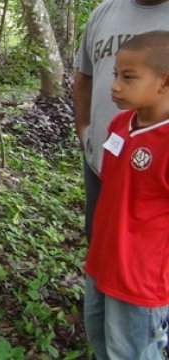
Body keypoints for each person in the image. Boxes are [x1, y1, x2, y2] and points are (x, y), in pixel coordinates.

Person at [83, 30, 169, 360]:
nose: (115, 85)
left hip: (140, 279)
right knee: (101, 342)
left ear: (164, 81)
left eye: (128, 77)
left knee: (132, 353)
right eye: (115, 74)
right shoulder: (120, 125)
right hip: (102, 262)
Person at [73, 0, 169, 244]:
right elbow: (84, 76)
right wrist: (85, 132)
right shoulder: (104, 13)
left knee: (147, 249)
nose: (116, 85)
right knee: (101, 238)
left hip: (157, 168)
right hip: (104, 159)